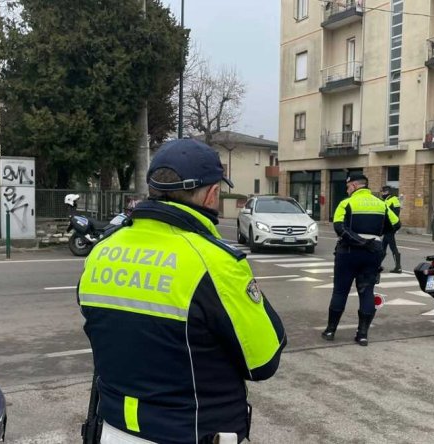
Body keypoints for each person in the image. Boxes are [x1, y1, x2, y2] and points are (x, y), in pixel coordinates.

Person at [78, 139, 287, 444]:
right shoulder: (214, 262)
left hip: (112, 429)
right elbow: (264, 362)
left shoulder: (102, 251)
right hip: (192, 432)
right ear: (213, 194)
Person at [321, 173, 400, 346]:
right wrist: (376, 235)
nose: (347, 191)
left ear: (355, 186)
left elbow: (339, 227)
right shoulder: (381, 204)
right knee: (366, 292)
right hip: (373, 253)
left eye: (348, 187)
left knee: (340, 291)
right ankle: (362, 334)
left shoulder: (346, 203)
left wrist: (360, 241)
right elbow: (396, 224)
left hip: (348, 252)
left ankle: (330, 330)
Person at [380, 185, 402, 273]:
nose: (382, 193)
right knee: (383, 246)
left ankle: (398, 267)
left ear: (386, 192)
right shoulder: (387, 200)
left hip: (390, 226)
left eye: (382, 192)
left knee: (393, 247)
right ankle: (377, 264)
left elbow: (395, 213)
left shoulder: (393, 199)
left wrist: (392, 226)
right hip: (388, 227)